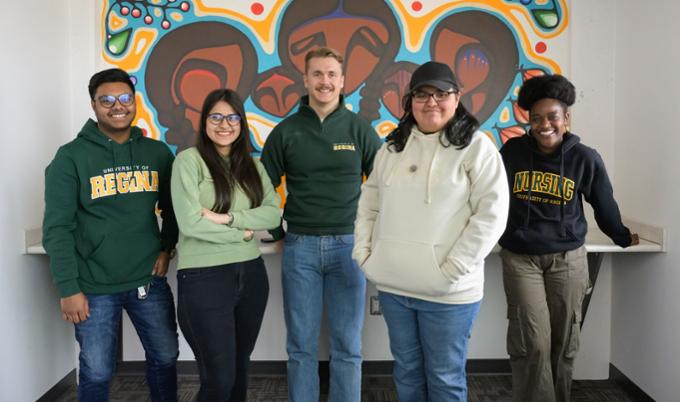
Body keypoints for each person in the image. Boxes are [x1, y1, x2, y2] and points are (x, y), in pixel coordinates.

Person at [353, 61, 509, 402]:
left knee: (444, 378)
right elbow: (369, 204)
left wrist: (452, 269)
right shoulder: (392, 148)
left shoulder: (476, 147)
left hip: (448, 293)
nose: (431, 102)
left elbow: (492, 215)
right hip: (396, 287)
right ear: (409, 101)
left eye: (441, 94)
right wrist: (364, 255)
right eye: (422, 94)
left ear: (457, 98)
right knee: (407, 374)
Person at [498, 74, 639, 402]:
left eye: (552, 117)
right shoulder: (513, 152)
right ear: (528, 120)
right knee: (532, 342)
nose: (544, 124)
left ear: (566, 118)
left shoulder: (584, 158)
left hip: (569, 258)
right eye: (536, 118)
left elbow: (603, 203)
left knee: (563, 345)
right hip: (521, 257)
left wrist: (619, 236)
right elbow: (492, 197)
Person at [43, 68, 179, 401]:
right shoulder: (70, 157)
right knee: (97, 370)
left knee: (165, 357)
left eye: (124, 99)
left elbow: (173, 209)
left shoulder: (157, 153)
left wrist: (166, 248)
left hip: (148, 278)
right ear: (93, 105)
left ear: (135, 102)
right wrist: (68, 288)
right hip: (93, 286)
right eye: (107, 100)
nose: (117, 106)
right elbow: (57, 228)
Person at [260, 47, 382, 402]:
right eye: (317, 74)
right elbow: (262, 189)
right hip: (301, 249)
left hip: (349, 247)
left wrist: (371, 235)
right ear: (306, 80)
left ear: (342, 82)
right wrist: (280, 233)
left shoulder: (359, 129)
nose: (324, 81)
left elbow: (383, 186)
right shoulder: (286, 132)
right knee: (301, 344)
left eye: (331, 75)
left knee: (347, 343)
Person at [170, 89, 280, 401]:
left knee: (239, 371)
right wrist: (243, 233)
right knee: (218, 379)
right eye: (215, 117)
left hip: (251, 276)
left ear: (241, 123)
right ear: (204, 122)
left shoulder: (252, 166)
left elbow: (273, 212)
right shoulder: (187, 162)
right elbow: (190, 222)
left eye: (232, 117)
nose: (224, 124)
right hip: (204, 278)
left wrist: (229, 218)